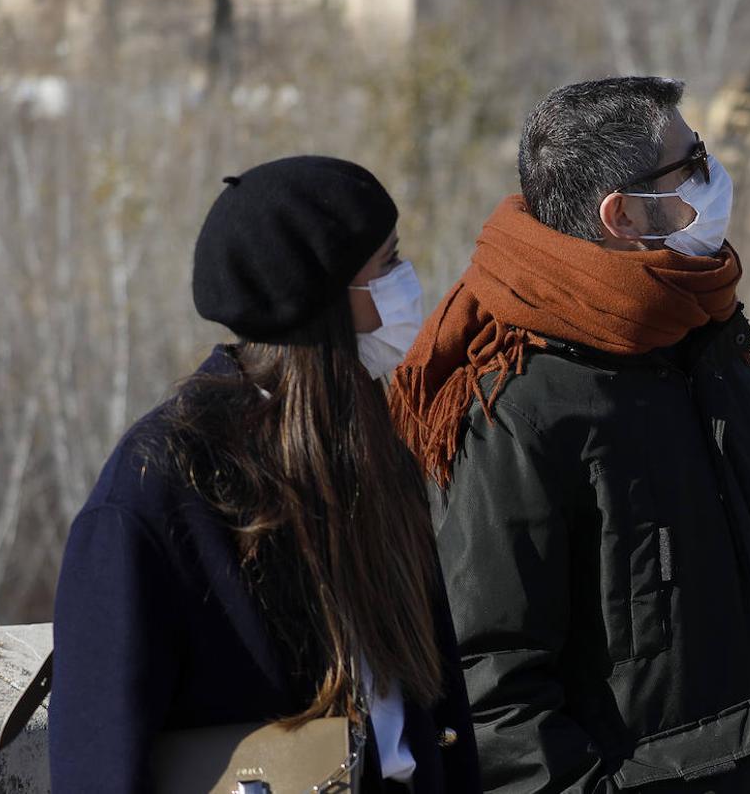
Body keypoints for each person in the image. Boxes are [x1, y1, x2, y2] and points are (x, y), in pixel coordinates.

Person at [389, 78, 750, 793]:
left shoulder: (705, 339)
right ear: (621, 214)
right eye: (692, 163)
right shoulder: (515, 403)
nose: (716, 179)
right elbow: (489, 686)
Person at [49, 156, 481, 794]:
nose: (407, 281)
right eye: (386, 264)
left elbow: (432, 707)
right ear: (324, 298)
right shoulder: (158, 490)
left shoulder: (371, 447)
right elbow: (99, 763)